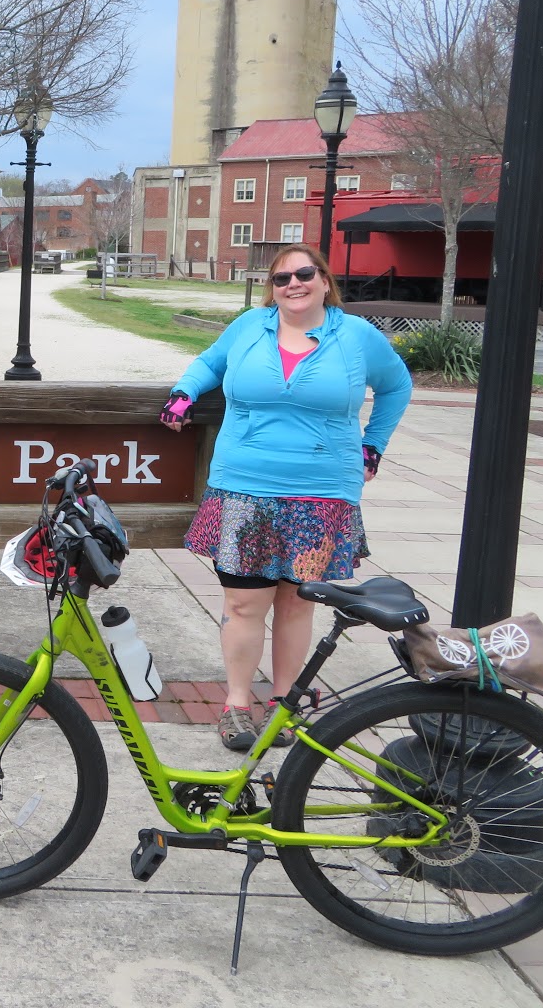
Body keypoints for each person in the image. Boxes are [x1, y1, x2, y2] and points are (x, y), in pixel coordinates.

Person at [160, 243, 412, 751]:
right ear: (271, 288)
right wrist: (182, 394)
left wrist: (373, 447)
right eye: (281, 278)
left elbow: (397, 385)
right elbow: (208, 364)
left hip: (321, 493)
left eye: (303, 274)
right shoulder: (250, 328)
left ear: (324, 280)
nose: (293, 284)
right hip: (244, 486)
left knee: (298, 603)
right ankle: (236, 704)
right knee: (243, 601)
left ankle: (284, 704)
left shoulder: (357, 336)